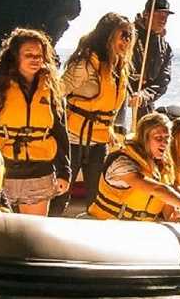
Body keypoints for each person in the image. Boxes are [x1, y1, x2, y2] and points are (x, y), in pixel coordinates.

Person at [0, 27, 70, 215]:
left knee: (34, 230)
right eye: (29, 55)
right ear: (16, 56)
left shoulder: (51, 89)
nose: (35, 59)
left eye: (39, 55)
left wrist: (64, 171)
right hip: (4, 170)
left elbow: (60, 132)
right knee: (3, 233)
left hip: (39, 172)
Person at [59, 13, 134, 211]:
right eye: (123, 34)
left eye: (130, 35)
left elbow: (112, 106)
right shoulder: (85, 63)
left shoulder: (119, 67)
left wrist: (109, 128)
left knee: (97, 199)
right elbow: (57, 91)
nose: (127, 40)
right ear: (108, 35)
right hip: (73, 140)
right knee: (60, 196)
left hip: (99, 142)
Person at [88, 113, 180, 223]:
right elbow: (156, 188)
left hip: (141, 228)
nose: (164, 143)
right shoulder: (122, 162)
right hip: (108, 224)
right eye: (158, 138)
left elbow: (173, 195)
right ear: (144, 139)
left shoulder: (163, 166)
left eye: (167, 138)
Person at [117, 0, 174, 133]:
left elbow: (163, 81)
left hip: (144, 104)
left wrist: (144, 96)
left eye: (166, 15)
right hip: (120, 101)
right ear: (146, 14)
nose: (163, 19)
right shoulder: (128, 35)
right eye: (159, 14)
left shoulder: (165, 48)